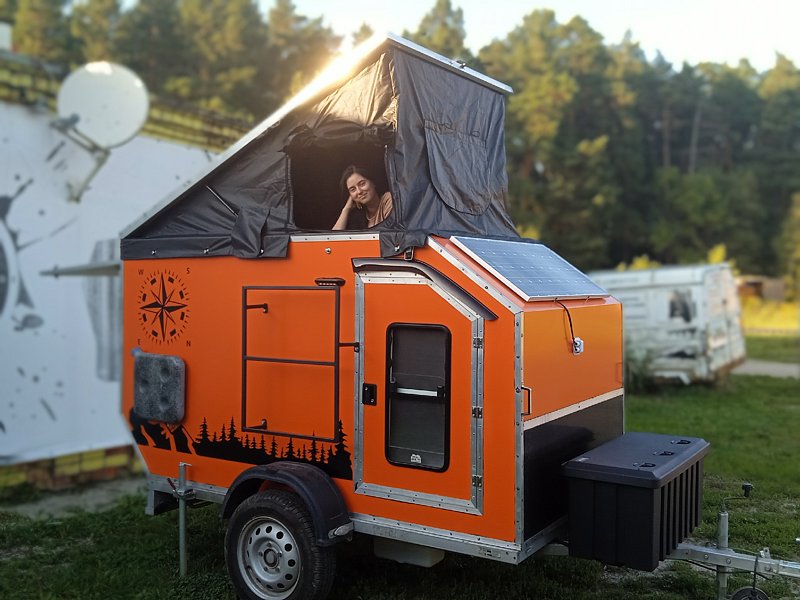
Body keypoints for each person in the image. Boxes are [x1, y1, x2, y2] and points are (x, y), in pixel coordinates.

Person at [332, 165, 393, 230]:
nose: (359, 191)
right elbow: (334, 236)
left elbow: (388, 232)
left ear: (373, 182)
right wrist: (346, 209)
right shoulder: (358, 215)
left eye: (362, 184)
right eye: (353, 189)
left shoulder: (388, 199)